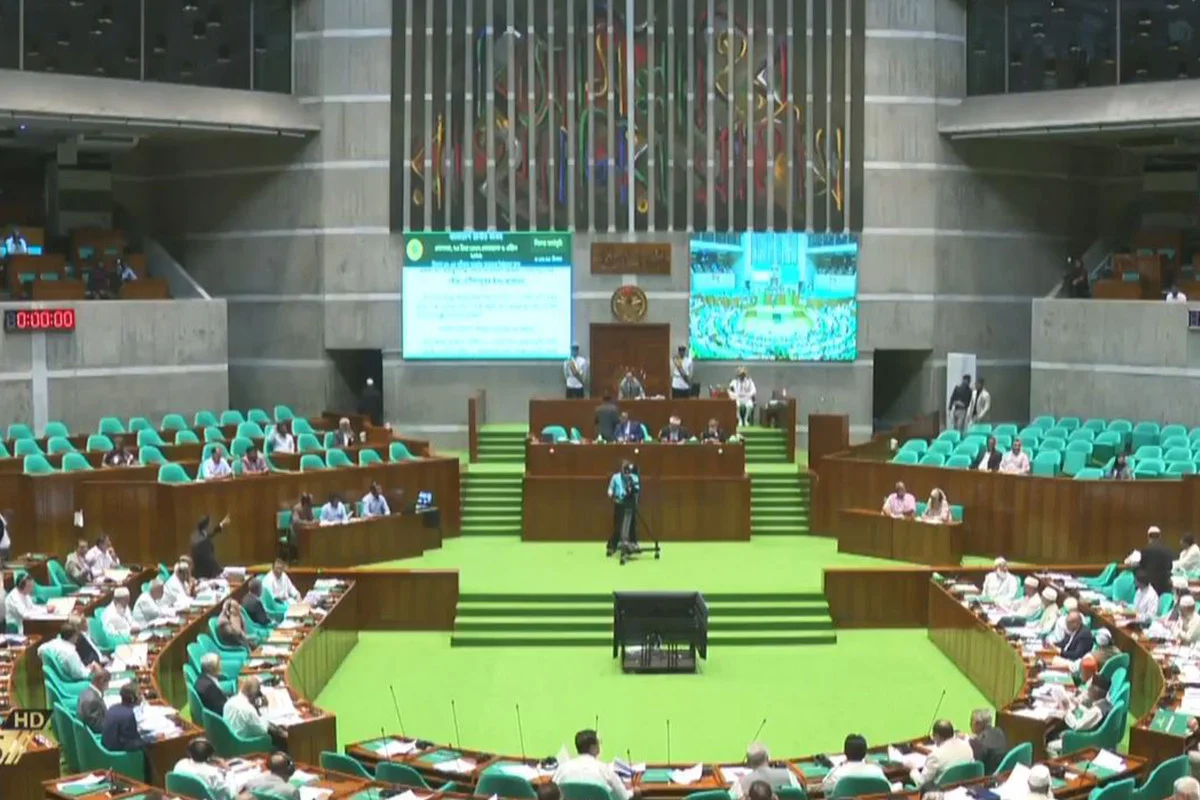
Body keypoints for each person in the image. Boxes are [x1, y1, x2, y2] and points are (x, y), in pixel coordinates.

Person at [552, 729, 632, 800]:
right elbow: (624, 797)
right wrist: (634, 791)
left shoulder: (563, 769)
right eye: (598, 743)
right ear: (593, 747)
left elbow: (551, 791)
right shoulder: (605, 770)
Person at [1048, 675, 1112, 755]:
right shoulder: (1104, 704)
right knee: (1058, 733)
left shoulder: (1096, 711)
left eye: (1090, 688)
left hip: (1084, 742)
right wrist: (1077, 705)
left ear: (1096, 691)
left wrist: (1067, 711)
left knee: (1050, 745)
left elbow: (1076, 726)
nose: (1088, 690)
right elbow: (1089, 714)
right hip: (1092, 736)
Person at [224, 676, 287, 745]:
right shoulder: (249, 710)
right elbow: (263, 731)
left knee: (275, 729)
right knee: (273, 731)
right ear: (254, 696)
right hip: (244, 744)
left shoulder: (229, 702)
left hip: (229, 741)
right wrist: (263, 709)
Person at [911, 719, 973, 787]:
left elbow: (922, 783)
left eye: (933, 736)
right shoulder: (967, 746)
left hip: (943, 791)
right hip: (966, 787)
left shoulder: (935, 756)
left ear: (937, 735)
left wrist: (913, 770)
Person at [819, 734, 886, 794]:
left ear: (845, 752)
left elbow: (824, 788)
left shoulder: (837, 773)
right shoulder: (876, 771)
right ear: (865, 753)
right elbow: (888, 789)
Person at [607, 461, 640, 557]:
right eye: (625, 472)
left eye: (628, 472)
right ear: (622, 470)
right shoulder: (615, 477)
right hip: (619, 503)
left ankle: (633, 543)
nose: (627, 474)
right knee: (618, 525)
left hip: (630, 504)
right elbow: (610, 488)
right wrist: (610, 493)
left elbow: (637, 489)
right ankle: (613, 546)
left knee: (632, 524)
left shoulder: (634, 478)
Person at [102, 685, 149, 752]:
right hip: (116, 751)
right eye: (139, 694)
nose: (141, 697)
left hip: (106, 745)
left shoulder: (112, 707)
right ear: (132, 698)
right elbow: (131, 744)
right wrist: (151, 738)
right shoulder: (129, 715)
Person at [1137, 526, 1177, 595]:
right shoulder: (1167, 549)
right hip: (1165, 584)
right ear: (1160, 536)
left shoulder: (1145, 550)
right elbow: (1170, 566)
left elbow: (1142, 566)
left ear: (1148, 537)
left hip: (1150, 584)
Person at [966, 709, 1007, 775]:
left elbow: (973, 764)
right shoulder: (999, 731)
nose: (970, 724)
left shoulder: (979, 743)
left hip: (987, 776)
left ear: (978, 724)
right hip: (1000, 771)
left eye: (971, 721)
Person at [190, 514, 230, 579]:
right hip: (203, 570)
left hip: (200, 568)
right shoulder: (202, 540)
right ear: (206, 526)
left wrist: (222, 523)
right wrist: (218, 570)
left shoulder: (198, 535)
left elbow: (212, 533)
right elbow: (208, 557)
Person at [77, 669, 110, 733]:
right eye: (107, 683)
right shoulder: (93, 701)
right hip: (94, 735)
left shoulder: (85, 692)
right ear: (101, 682)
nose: (108, 687)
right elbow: (97, 727)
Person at [285, 494, 314, 561]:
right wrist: (306, 522)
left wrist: (313, 521)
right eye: (310, 502)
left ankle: (307, 558)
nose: (311, 503)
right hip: (296, 530)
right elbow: (296, 521)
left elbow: (311, 518)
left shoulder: (309, 507)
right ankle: (298, 558)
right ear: (305, 502)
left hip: (306, 529)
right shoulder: (296, 508)